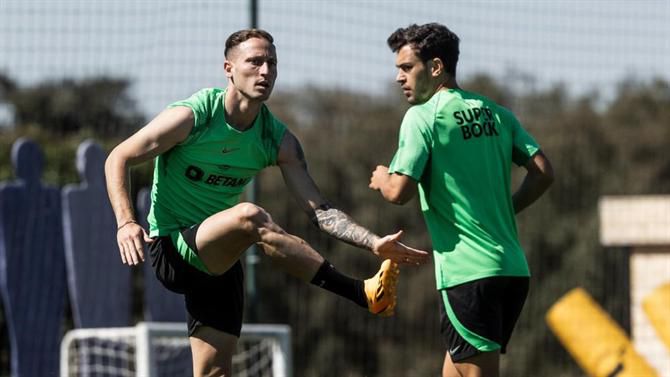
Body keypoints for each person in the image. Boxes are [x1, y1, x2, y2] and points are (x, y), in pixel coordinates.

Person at [104, 28, 430, 376]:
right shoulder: (194, 116)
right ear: (228, 68)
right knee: (250, 217)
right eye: (255, 62)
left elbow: (320, 210)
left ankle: (370, 295)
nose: (265, 71)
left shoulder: (278, 140)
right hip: (172, 248)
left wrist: (373, 242)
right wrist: (126, 223)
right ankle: (360, 292)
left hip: (220, 260)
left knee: (214, 372)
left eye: (272, 63)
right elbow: (118, 158)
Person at [369, 23, 554, 377]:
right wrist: (504, 209)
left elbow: (398, 192)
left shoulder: (423, 117)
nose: (398, 78)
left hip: (469, 274)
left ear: (436, 67)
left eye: (407, 68)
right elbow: (544, 172)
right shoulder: (497, 113)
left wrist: (381, 179)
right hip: (512, 269)